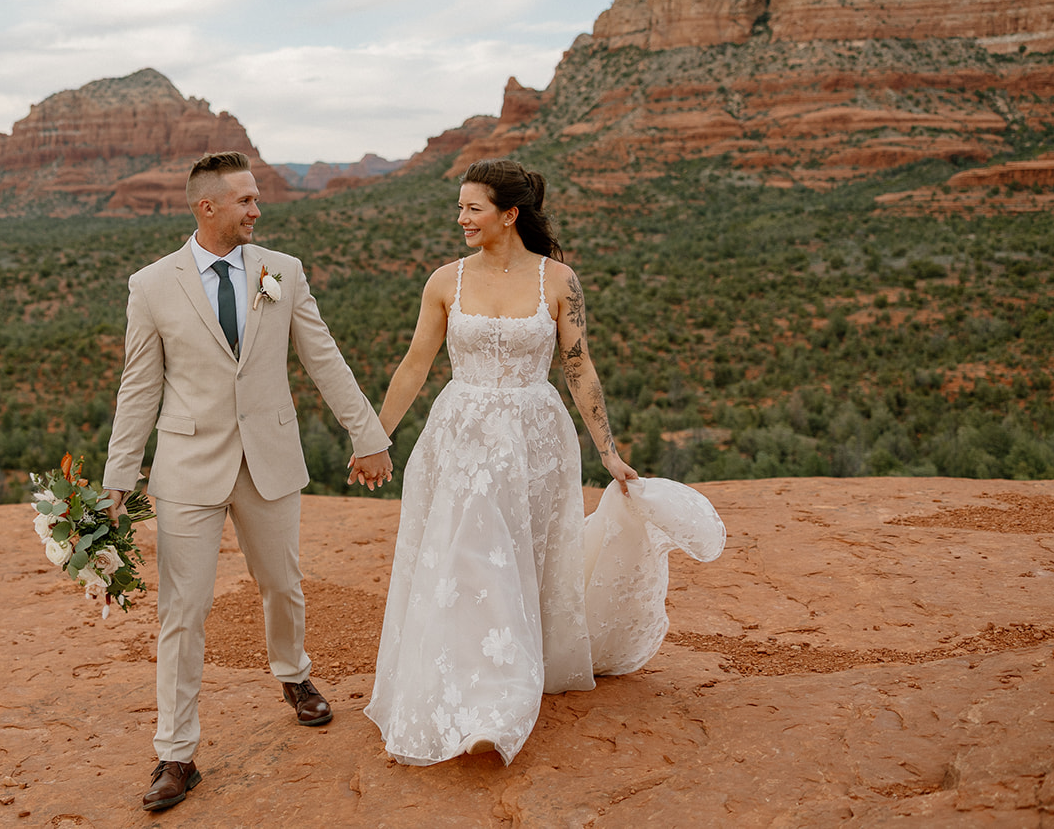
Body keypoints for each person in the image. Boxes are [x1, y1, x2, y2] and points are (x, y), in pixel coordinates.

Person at [363, 158, 724, 766]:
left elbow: (579, 367)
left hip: (535, 438)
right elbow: (415, 363)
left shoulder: (559, 281)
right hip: (462, 436)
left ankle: (507, 677)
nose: (461, 219)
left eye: (472, 208)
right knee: (469, 554)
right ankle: (484, 705)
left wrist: (608, 452)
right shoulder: (443, 281)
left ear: (509, 214)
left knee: (520, 554)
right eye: (459, 207)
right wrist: (376, 436)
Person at [102, 150, 395, 812]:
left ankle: (293, 675)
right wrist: (118, 476)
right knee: (183, 609)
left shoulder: (280, 272)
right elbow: (138, 387)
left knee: (282, 584)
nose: (257, 209)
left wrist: (367, 431)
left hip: (268, 458)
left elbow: (322, 355)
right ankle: (176, 752)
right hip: (187, 469)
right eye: (246, 200)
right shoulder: (151, 286)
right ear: (207, 207)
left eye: (257, 198)